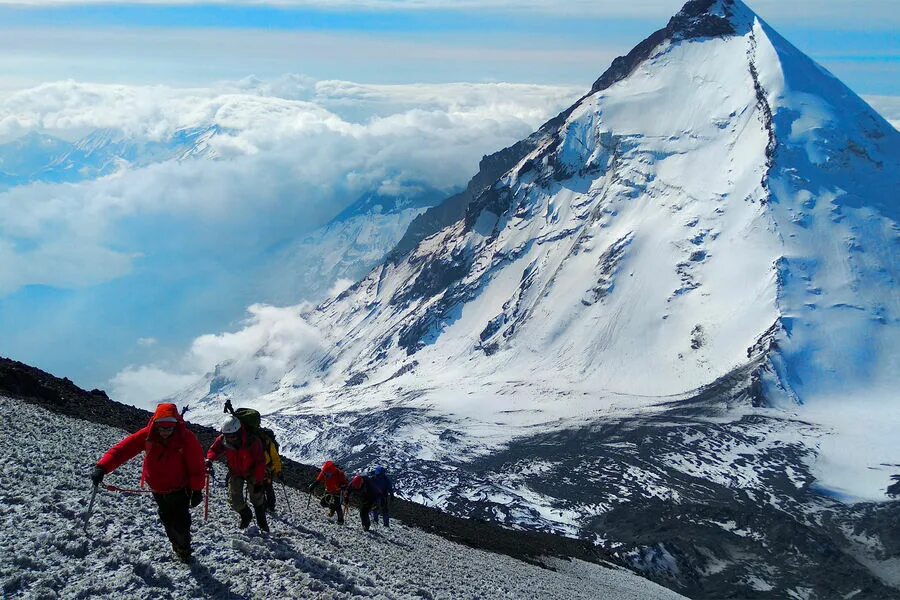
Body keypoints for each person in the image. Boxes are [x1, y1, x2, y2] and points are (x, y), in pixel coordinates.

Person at [91, 403, 205, 563]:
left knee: (181, 521)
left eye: (169, 428)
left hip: (180, 488)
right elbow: (122, 450)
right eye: (162, 428)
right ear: (156, 424)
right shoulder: (147, 435)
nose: (165, 432)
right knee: (168, 518)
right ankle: (179, 546)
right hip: (158, 489)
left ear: (176, 425)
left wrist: (197, 489)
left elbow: (197, 465)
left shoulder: (186, 438)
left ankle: (184, 548)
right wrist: (102, 467)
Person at [206, 415, 269, 532]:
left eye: (233, 436)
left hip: (252, 472)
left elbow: (260, 462)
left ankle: (263, 524)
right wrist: (209, 459)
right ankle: (246, 515)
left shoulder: (252, 441)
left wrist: (259, 481)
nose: (230, 439)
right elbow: (214, 450)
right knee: (234, 498)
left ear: (239, 431)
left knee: (257, 497)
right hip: (235, 472)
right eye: (227, 436)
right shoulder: (223, 439)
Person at [307, 460, 348, 525]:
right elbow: (318, 480)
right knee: (323, 503)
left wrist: (343, 486)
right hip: (329, 490)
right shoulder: (324, 472)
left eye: (328, 474)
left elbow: (345, 484)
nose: (326, 475)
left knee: (337, 506)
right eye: (325, 473)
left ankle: (340, 520)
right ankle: (332, 509)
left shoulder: (339, 474)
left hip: (337, 491)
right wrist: (313, 485)